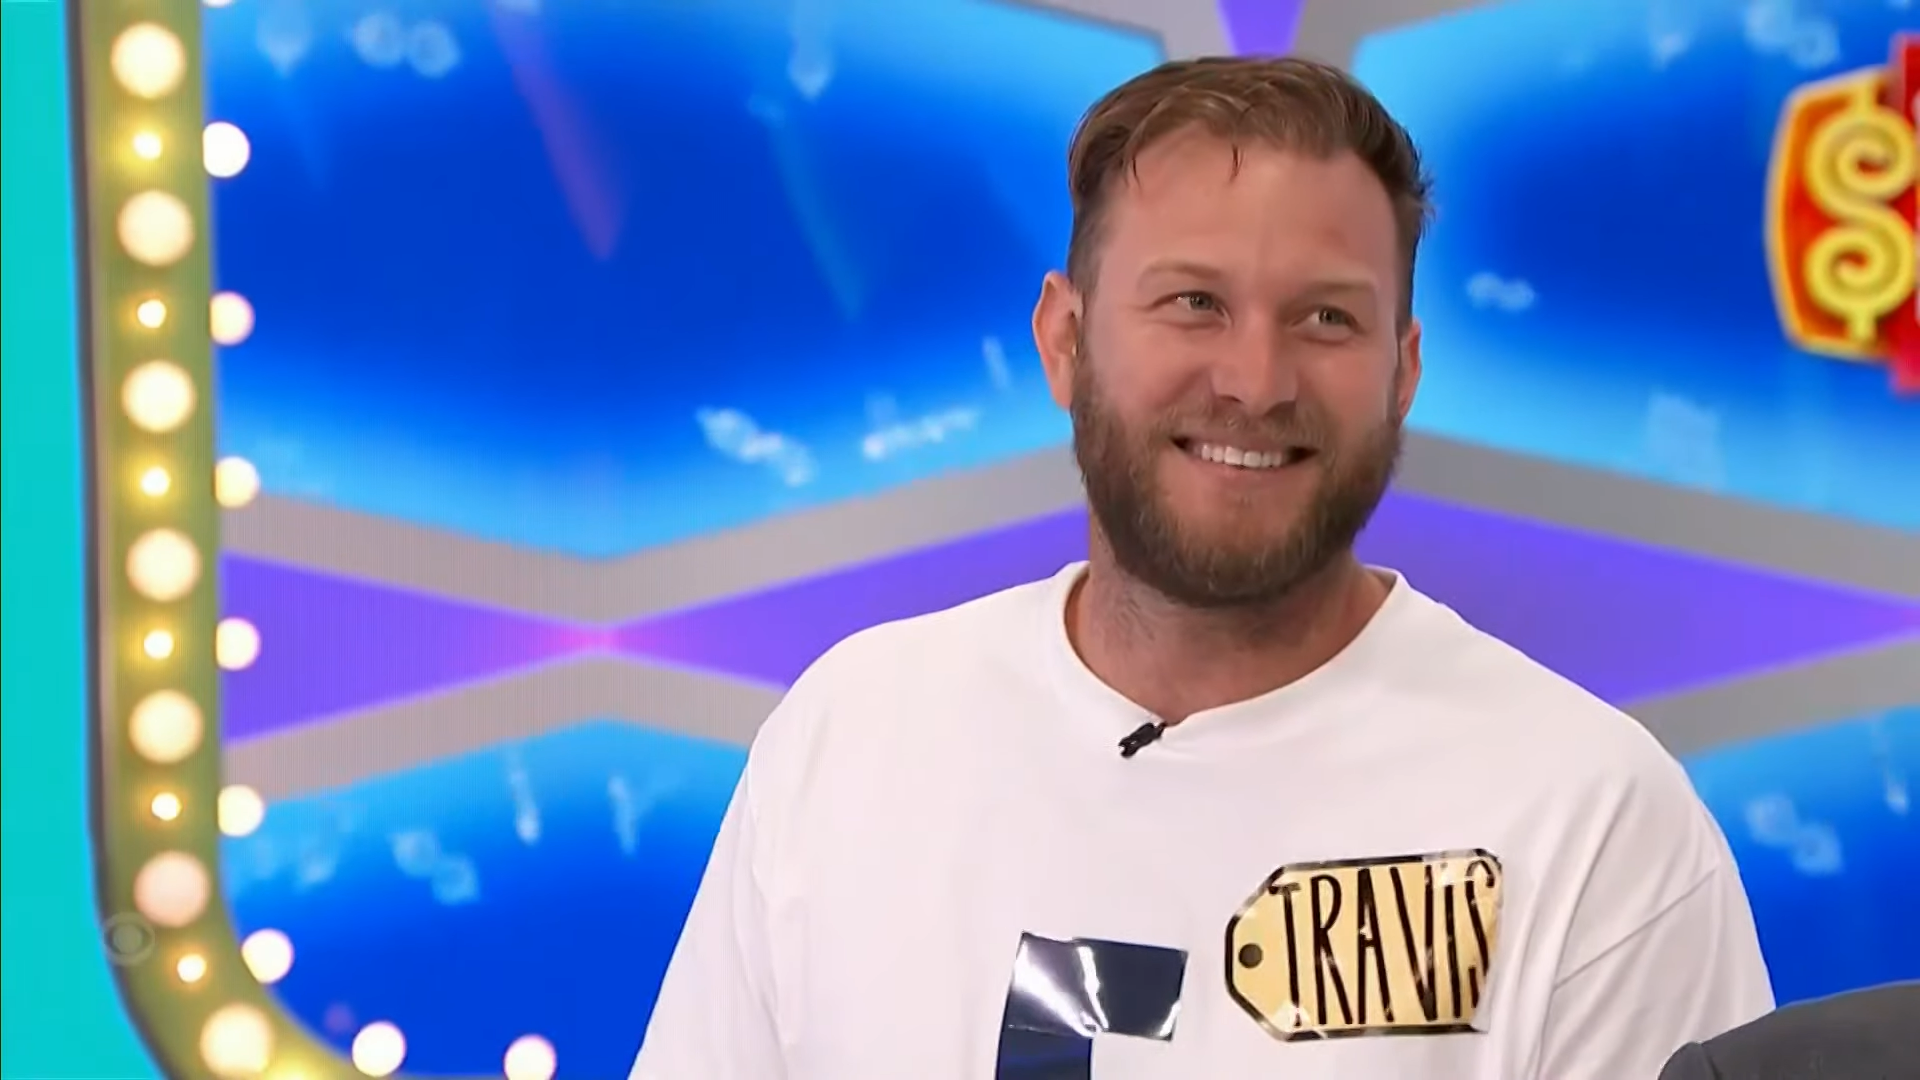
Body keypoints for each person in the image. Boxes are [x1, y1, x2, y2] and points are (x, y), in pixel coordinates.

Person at [630, 56, 1774, 1079]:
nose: (1256, 380)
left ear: (1404, 371)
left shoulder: (1595, 826)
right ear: (1066, 342)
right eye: (1194, 303)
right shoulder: (851, 735)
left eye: (1326, 317)